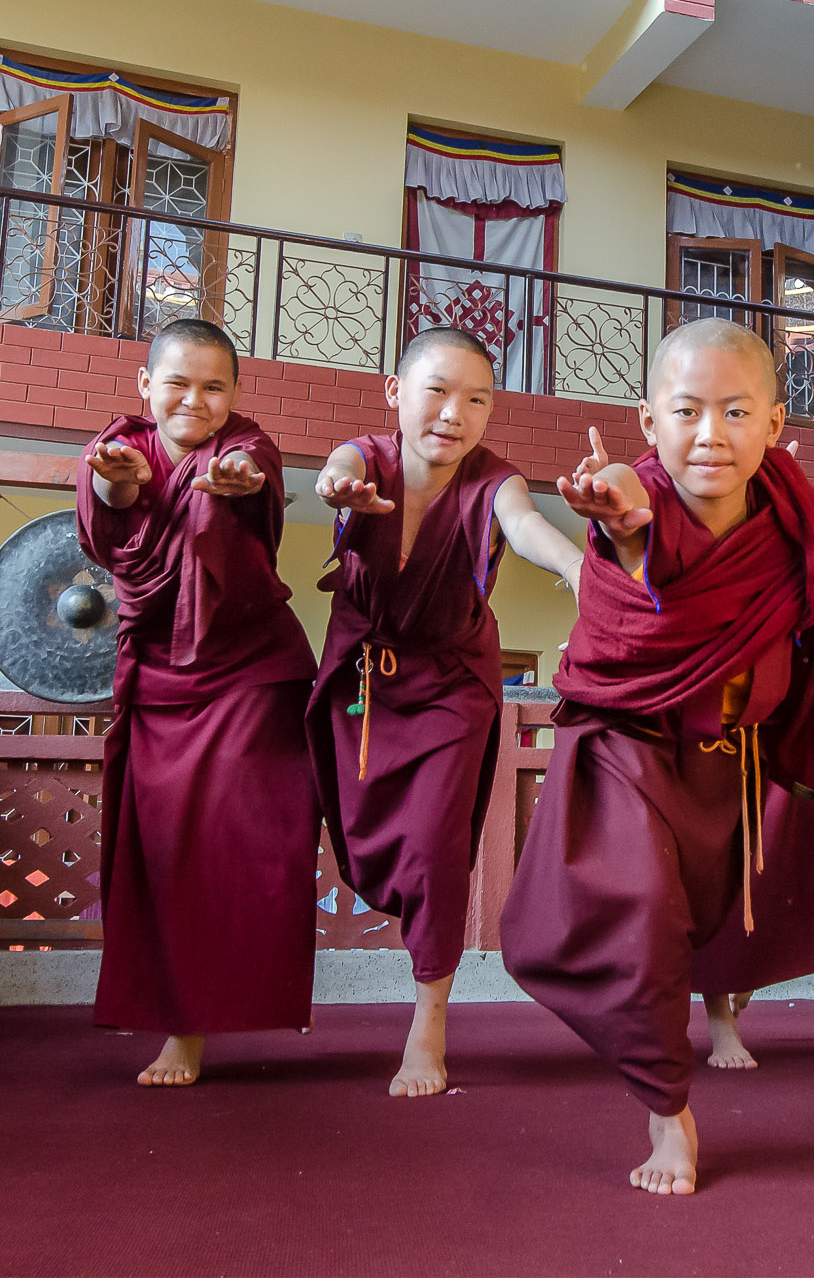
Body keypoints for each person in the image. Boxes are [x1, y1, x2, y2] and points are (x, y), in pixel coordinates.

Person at [502, 318, 814, 1195]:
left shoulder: (792, 524)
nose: (710, 434)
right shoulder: (638, 492)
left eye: (736, 412)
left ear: (774, 425)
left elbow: (807, 628)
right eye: (686, 410)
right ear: (649, 421)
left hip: (730, 755)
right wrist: (618, 509)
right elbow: (630, 502)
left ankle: (719, 1019)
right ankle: (668, 1110)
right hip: (628, 742)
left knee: (716, 913)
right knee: (645, 911)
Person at [308, 327, 585, 1098]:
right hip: (364, 680)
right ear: (396, 393)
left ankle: (427, 1023)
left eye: (476, 398)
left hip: (452, 686)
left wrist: (574, 564)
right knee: (353, 833)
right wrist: (335, 488)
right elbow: (338, 471)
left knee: (434, 845)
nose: (453, 412)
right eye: (435, 389)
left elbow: (524, 525)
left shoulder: (494, 479)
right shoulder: (366, 457)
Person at [78, 317, 321, 1087]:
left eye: (215, 386)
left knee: (255, 842)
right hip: (160, 680)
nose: (197, 399)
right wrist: (116, 478)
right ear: (145, 386)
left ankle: (239, 1001)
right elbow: (110, 499)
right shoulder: (123, 445)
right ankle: (181, 1027)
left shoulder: (248, 446)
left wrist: (239, 484)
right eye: (178, 382)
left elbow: (252, 475)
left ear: (236, 393)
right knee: (168, 850)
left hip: (251, 671)